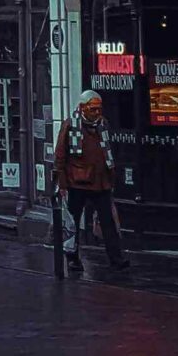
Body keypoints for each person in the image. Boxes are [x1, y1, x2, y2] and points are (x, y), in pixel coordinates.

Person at [52, 91, 126, 273]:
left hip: (100, 182)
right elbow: (60, 155)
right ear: (83, 107)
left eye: (99, 108)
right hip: (77, 182)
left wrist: (111, 175)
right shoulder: (70, 125)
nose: (97, 112)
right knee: (73, 223)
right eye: (93, 109)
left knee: (107, 221)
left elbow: (109, 150)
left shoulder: (103, 124)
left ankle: (116, 258)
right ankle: (72, 258)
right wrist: (61, 183)